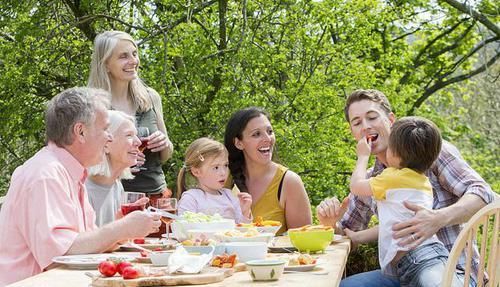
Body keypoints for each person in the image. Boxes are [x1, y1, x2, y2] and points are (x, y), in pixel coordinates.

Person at [316, 89, 496, 287]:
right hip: (402, 274)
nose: (365, 126)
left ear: (391, 120)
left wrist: (438, 218)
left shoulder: (430, 152)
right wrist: (330, 223)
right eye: (357, 122)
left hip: (452, 270)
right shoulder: (372, 180)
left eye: (372, 117)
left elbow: (483, 193)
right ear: (353, 132)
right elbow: (349, 234)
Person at [0, 87, 161, 286]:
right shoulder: (46, 175)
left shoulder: (70, 172)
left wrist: (122, 232)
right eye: (104, 129)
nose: (109, 137)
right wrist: (121, 229)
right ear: (81, 132)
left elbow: (84, 246)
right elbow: (60, 256)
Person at [349, 116, 462, 286]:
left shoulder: (392, 176)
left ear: (395, 153)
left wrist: (363, 156)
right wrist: (357, 236)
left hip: (422, 258)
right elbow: (393, 225)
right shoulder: (419, 180)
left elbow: (356, 186)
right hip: (411, 264)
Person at [88, 30, 173, 205]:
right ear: (105, 64)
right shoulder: (93, 106)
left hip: (156, 195)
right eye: (123, 56)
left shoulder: (151, 97)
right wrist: (122, 163)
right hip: (115, 198)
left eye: (134, 54)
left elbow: (166, 156)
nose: (133, 61)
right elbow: (88, 162)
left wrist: (164, 143)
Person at [224, 107, 312, 234]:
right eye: (256, 134)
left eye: (270, 131)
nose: (268, 139)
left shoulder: (289, 182)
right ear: (238, 143)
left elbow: (305, 240)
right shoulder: (224, 179)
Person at [86, 110, 144, 226]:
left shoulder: (116, 186)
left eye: (136, 135)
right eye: (129, 135)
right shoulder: (84, 190)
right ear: (106, 144)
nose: (138, 142)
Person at [177, 137, 252, 223]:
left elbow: (242, 230)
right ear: (196, 171)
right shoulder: (191, 198)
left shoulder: (229, 196)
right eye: (216, 167)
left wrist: (245, 211)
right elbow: (184, 229)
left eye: (226, 165)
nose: (223, 172)